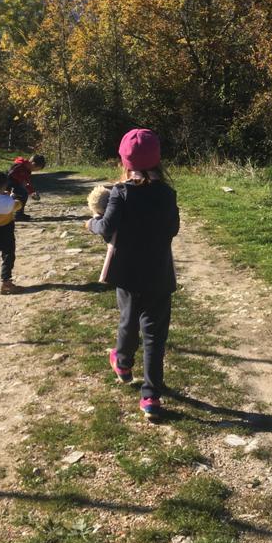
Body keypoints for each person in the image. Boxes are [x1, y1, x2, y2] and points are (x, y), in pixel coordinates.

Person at [85, 128, 179, 421]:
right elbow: (173, 228)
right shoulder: (167, 193)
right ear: (157, 160)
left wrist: (92, 223)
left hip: (127, 273)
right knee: (154, 336)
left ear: (125, 162)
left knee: (128, 319)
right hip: (159, 274)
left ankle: (123, 363)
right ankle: (151, 397)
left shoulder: (120, 193)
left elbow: (107, 227)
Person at [7, 153, 45, 219]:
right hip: (7, 183)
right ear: (33, 164)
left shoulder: (27, 169)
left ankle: (18, 213)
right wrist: (20, 180)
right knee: (22, 194)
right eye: (37, 169)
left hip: (15, 184)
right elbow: (10, 173)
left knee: (23, 193)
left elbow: (27, 182)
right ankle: (18, 214)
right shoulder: (19, 165)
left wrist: (32, 192)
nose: (35, 171)